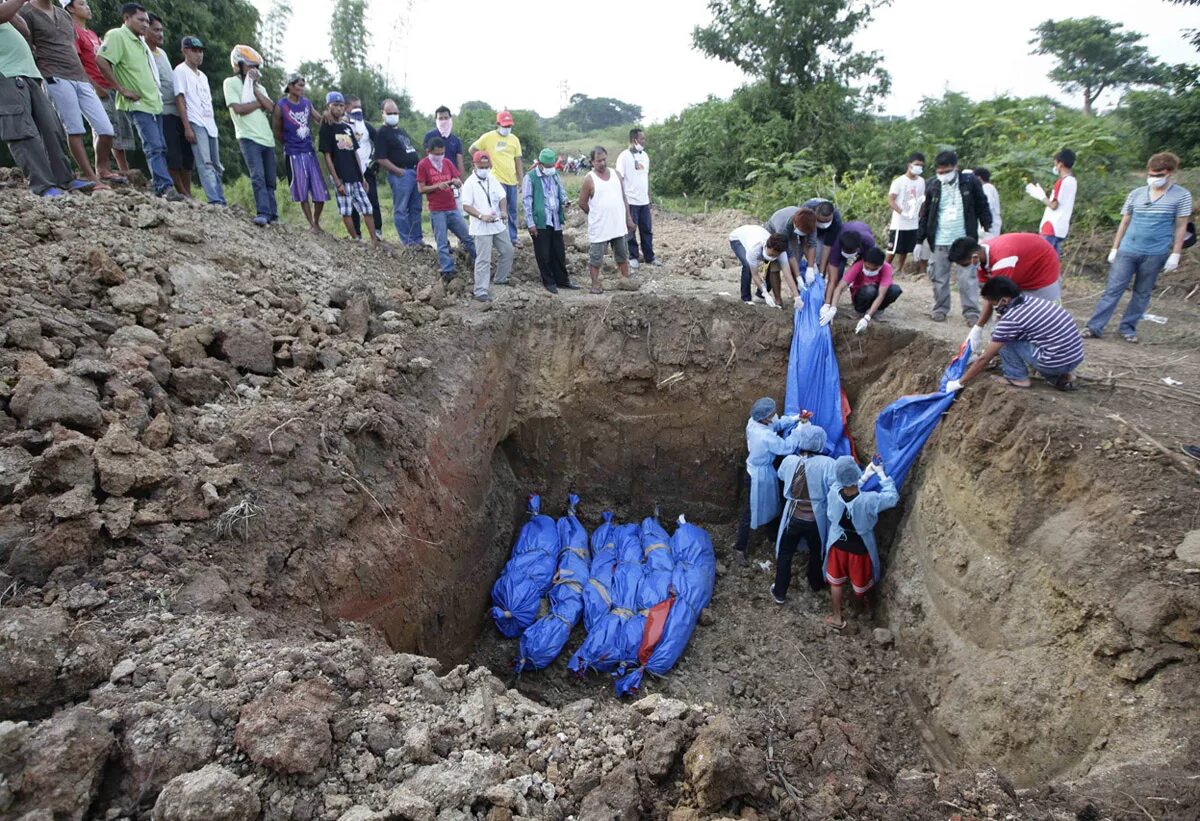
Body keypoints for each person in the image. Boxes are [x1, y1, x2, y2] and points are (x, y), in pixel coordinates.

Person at [1084, 153, 1192, 344]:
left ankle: (1128, 328)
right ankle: (1094, 327)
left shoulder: (1181, 196)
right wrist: (1115, 248)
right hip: (1128, 249)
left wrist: (1176, 253)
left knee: (1142, 292)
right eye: (1151, 174)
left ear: (1169, 173)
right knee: (1112, 290)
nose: (1154, 178)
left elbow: (1181, 226)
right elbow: (1125, 222)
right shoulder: (1136, 194)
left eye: (1159, 175)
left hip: (1155, 252)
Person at [0, 0, 93, 196]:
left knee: (52, 128)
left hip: (28, 74)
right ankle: (42, 185)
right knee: (23, 132)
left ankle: (64, 179)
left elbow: (24, 31)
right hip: (5, 75)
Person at [18, 0, 115, 187]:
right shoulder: (26, 12)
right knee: (74, 128)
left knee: (106, 129)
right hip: (54, 76)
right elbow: (29, 47)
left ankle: (101, 169)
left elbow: (71, 46)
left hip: (79, 77)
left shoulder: (62, 14)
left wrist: (86, 77)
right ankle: (91, 178)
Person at [96, 3, 181, 200]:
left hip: (153, 103)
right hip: (138, 104)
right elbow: (101, 60)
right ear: (126, 18)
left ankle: (162, 185)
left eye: (146, 21)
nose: (145, 24)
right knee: (154, 146)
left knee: (160, 146)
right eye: (140, 20)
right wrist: (121, 88)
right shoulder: (117, 35)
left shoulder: (140, 41)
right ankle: (164, 187)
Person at [945, 276, 1083, 392]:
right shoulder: (1032, 301)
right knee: (1010, 337)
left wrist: (960, 382)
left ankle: (1017, 378)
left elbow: (986, 357)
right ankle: (1061, 377)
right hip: (1074, 357)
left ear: (1004, 300)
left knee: (1003, 340)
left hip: (1054, 362)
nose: (993, 307)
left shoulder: (1012, 318)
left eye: (993, 303)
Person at [950, 233, 1063, 352]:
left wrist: (982, 327)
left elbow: (998, 296)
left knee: (1046, 318)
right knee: (1012, 319)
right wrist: (978, 328)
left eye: (965, 264)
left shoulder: (1002, 260)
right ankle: (1015, 353)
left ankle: (1053, 358)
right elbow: (989, 296)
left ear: (974, 256)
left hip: (1042, 268)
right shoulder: (981, 259)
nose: (966, 268)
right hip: (1020, 271)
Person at [916, 150, 992, 324]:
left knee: (968, 278)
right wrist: (919, 240)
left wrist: (987, 225)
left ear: (956, 167)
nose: (943, 175)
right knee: (938, 277)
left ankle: (972, 312)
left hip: (966, 240)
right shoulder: (933, 185)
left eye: (947, 171)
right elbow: (925, 214)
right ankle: (940, 309)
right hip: (940, 239)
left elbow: (982, 203)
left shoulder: (970, 182)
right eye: (940, 172)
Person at [822, 456, 898, 630]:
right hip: (859, 548)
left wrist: (865, 476)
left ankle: (836, 616)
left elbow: (847, 489)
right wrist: (880, 474)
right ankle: (858, 608)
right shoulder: (869, 500)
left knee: (836, 581)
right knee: (859, 582)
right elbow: (892, 498)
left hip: (837, 544)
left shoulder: (833, 492)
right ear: (855, 474)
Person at [772, 424, 836, 603]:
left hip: (793, 516)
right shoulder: (828, 464)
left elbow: (782, 476)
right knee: (817, 551)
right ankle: (815, 583)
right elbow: (835, 485)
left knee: (785, 553)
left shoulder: (790, 461)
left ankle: (780, 591)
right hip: (816, 519)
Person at [67, 0, 130, 182]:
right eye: (81, 4)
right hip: (93, 86)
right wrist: (94, 85)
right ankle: (102, 168)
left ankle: (117, 169)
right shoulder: (74, 32)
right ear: (70, 8)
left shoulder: (92, 33)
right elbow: (77, 61)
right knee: (101, 129)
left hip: (108, 84)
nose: (87, 7)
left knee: (114, 130)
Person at [735, 397, 802, 564]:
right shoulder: (764, 436)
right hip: (757, 475)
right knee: (749, 512)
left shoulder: (755, 421)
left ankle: (772, 535)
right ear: (764, 418)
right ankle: (739, 548)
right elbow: (786, 447)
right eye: (772, 414)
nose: (774, 415)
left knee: (773, 503)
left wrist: (795, 419)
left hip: (762, 471)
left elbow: (777, 424)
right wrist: (800, 430)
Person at [222, 43, 277, 226]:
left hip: (266, 139)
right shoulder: (231, 83)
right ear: (239, 65)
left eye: (255, 67)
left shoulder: (259, 88)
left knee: (270, 179)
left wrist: (253, 88)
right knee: (258, 176)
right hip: (248, 137)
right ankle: (263, 212)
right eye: (250, 66)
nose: (253, 70)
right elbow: (238, 108)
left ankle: (273, 214)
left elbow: (271, 107)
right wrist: (258, 103)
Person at [319, 91, 380, 245]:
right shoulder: (327, 127)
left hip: (355, 176)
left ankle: (374, 239)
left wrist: (362, 177)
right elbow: (327, 156)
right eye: (335, 105)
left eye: (341, 105)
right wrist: (337, 181)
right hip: (341, 176)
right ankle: (356, 239)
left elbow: (355, 153)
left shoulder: (347, 127)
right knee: (346, 210)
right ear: (329, 106)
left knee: (367, 207)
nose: (339, 108)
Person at [172, 35, 225, 205]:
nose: (199, 54)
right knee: (205, 163)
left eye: (201, 51)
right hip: (195, 121)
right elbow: (180, 99)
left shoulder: (203, 76)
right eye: (195, 50)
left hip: (210, 123)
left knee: (216, 165)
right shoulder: (180, 71)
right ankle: (215, 200)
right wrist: (187, 126)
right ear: (185, 50)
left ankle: (221, 198)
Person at [579, 146, 637, 294]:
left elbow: (624, 198)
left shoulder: (616, 174)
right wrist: (596, 214)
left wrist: (628, 218)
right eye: (599, 161)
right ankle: (595, 284)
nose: (602, 163)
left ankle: (625, 279)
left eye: (604, 159)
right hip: (600, 226)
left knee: (622, 254)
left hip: (618, 225)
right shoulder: (589, 180)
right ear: (592, 162)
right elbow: (582, 203)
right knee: (596, 256)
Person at [144, 13, 190, 196]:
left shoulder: (161, 53)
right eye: (156, 30)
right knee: (171, 155)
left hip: (178, 110)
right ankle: (179, 191)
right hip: (161, 110)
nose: (160, 34)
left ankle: (187, 192)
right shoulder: (143, 52)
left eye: (161, 30)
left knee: (186, 157)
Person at [273, 74, 326, 231]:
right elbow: (276, 130)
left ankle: (316, 222)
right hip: (293, 153)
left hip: (309, 151)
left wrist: (327, 114)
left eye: (303, 85)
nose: (302, 88)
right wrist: (289, 142)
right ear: (290, 86)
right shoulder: (281, 105)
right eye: (299, 85)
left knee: (319, 192)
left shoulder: (307, 103)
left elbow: (319, 119)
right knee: (302, 191)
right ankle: (311, 224)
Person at [418, 135, 474, 278]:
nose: (439, 156)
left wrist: (456, 181)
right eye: (436, 154)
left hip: (452, 207)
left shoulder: (447, 163)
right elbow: (421, 188)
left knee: (468, 237)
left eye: (442, 153)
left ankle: (479, 261)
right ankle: (447, 270)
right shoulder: (423, 165)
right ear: (428, 152)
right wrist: (437, 186)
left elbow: (458, 179)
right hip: (437, 210)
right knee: (442, 242)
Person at [460, 150, 512, 302]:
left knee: (507, 250)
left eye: (486, 166)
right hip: (481, 227)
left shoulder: (492, 178)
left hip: (496, 224)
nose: (484, 169)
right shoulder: (469, 183)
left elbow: (502, 196)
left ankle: (500, 278)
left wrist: (503, 211)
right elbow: (466, 206)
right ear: (474, 165)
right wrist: (482, 216)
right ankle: (481, 291)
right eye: (481, 166)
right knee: (483, 259)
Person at [523, 147, 576, 293]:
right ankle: (549, 281)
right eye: (548, 166)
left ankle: (562, 280)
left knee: (559, 252)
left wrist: (565, 201)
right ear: (540, 164)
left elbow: (561, 191)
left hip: (555, 219)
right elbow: (527, 202)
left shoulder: (555, 175)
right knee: (543, 254)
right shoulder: (530, 177)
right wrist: (530, 223)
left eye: (552, 166)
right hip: (540, 222)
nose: (551, 168)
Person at [469, 111, 523, 244]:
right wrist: (483, 161)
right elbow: (472, 149)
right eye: (504, 125)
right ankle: (500, 238)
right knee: (498, 209)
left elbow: (518, 160)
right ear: (498, 124)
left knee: (512, 210)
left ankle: (513, 237)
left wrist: (520, 179)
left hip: (511, 179)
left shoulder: (514, 139)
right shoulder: (488, 137)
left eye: (509, 125)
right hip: (496, 179)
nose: (507, 128)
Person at [375, 98, 422, 245]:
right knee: (401, 209)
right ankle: (408, 241)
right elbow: (380, 158)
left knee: (416, 208)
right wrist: (398, 171)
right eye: (389, 112)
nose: (393, 115)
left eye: (396, 112)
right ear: (382, 113)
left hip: (414, 173)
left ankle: (417, 239)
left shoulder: (401, 131)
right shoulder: (382, 133)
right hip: (401, 175)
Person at [826, 247, 902, 333]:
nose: (869, 270)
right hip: (861, 295)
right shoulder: (858, 266)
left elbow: (881, 295)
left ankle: (876, 312)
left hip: (877, 296)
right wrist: (832, 308)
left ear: (880, 265)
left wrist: (867, 318)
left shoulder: (886, 268)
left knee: (895, 290)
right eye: (867, 267)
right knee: (869, 291)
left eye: (873, 269)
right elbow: (839, 288)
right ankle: (859, 312)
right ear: (864, 261)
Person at [616, 127, 656, 269]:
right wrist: (622, 200)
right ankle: (633, 257)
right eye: (642, 139)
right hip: (631, 201)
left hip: (643, 201)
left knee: (647, 230)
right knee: (631, 230)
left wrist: (649, 197)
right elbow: (619, 178)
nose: (644, 141)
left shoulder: (644, 156)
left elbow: (646, 177)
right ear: (634, 140)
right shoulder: (624, 156)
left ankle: (649, 257)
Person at [728, 225, 799, 306]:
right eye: (771, 254)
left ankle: (759, 296)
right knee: (747, 266)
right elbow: (755, 274)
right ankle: (746, 299)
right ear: (767, 246)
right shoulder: (754, 250)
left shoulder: (782, 252)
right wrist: (765, 293)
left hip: (757, 232)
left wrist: (797, 296)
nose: (773, 256)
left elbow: (787, 274)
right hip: (738, 238)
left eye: (775, 256)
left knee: (772, 268)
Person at [346, 96, 381, 241]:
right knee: (353, 204)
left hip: (366, 169)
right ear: (346, 107)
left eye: (360, 106)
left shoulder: (366, 126)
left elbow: (379, 142)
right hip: (350, 170)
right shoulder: (343, 126)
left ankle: (377, 232)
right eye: (354, 107)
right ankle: (357, 235)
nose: (358, 110)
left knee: (373, 200)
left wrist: (375, 161)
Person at [886, 153, 925, 273]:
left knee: (905, 248)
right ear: (909, 165)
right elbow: (891, 200)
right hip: (899, 222)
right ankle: (884, 268)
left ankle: (899, 269)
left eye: (921, 165)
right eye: (916, 164)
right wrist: (901, 212)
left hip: (913, 221)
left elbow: (922, 199)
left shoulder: (921, 181)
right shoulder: (899, 181)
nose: (919, 167)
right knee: (893, 248)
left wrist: (920, 214)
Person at [1035, 149, 1077, 257]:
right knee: (1053, 262)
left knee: (1043, 260)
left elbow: (1054, 205)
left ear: (1060, 164)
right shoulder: (1073, 181)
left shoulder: (1061, 182)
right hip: (1061, 227)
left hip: (1050, 227)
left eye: (1056, 164)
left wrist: (1041, 196)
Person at [763, 205, 818, 287]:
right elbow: (789, 254)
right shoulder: (782, 226)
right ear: (795, 224)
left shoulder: (811, 223)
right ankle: (777, 298)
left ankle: (797, 290)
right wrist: (798, 277)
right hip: (775, 234)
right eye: (802, 231)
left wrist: (811, 267)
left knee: (797, 259)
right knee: (775, 266)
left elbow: (812, 244)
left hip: (795, 230)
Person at [801, 198, 843, 275]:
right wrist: (812, 265)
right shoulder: (806, 212)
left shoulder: (836, 219)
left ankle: (820, 277)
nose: (824, 223)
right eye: (821, 221)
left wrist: (820, 272)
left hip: (825, 235)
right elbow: (804, 241)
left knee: (820, 260)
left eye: (827, 221)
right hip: (809, 230)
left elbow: (827, 246)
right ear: (815, 213)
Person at [424, 105, 464, 178]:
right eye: (440, 118)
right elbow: (427, 158)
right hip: (435, 177)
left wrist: (462, 181)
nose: (443, 121)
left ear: (450, 119)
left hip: (452, 177)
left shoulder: (456, 140)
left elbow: (459, 162)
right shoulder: (429, 136)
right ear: (436, 120)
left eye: (446, 118)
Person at [973, 167, 1001, 239]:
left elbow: (987, 205)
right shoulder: (989, 187)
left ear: (979, 178)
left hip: (990, 225)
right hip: (992, 224)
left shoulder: (986, 188)